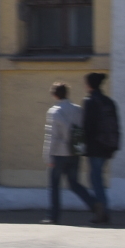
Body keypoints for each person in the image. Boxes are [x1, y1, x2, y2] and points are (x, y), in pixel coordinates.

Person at [43, 81, 97, 224]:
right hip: (74, 152)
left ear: (54, 95)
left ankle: (53, 216)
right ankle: (94, 204)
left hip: (59, 154)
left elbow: (52, 136)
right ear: (67, 94)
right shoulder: (78, 109)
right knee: (74, 183)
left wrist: (48, 156)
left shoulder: (54, 111)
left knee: (54, 186)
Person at [81, 71, 121, 227]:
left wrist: (81, 144)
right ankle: (103, 211)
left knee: (96, 179)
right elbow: (116, 125)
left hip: (95, 146)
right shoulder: (109, 101)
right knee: (98, 178)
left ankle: (102, 212)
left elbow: (87, 126)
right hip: (107, 146)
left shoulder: (90, 101)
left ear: (89, 85)